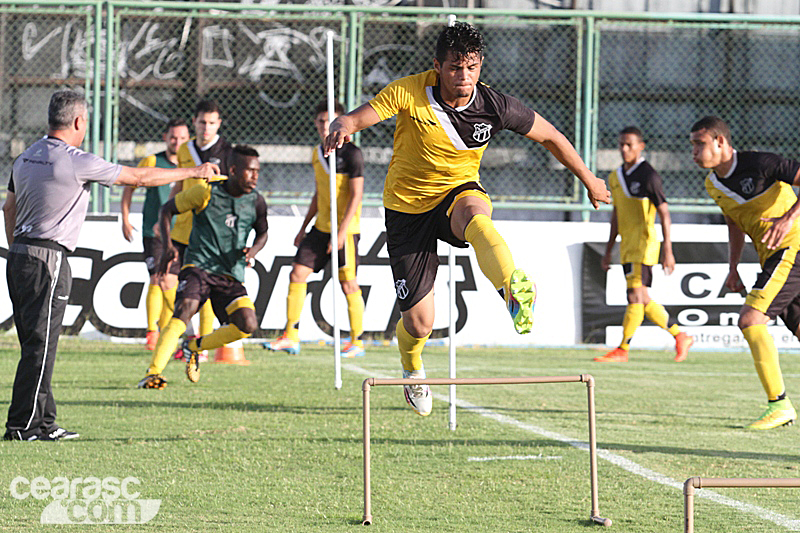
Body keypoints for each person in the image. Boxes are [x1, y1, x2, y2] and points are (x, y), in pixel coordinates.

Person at [323, 22, 610, 416]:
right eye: (455, 68)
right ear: (437, 66)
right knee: (421, 324)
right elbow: (359, 118)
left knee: (477, 213)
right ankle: (412, 367)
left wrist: (589, 178)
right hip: (407, 210)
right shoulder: (409, 91)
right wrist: (343, 125)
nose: (464, 77)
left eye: (472, 68)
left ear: (480, 66)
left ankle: (511, 289)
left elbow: (550, 136)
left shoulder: (494, 105)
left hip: (457, 192)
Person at [2, 90, 218, 441]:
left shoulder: (26, 156)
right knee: (42, 345)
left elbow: (8, 209)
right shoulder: (76, 160)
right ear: (78, 122)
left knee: (34, 343)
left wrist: (17, 249)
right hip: (49, 258)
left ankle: (44, 421)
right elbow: (139, 177)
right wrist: (195, 170)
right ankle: (22, 426)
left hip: (19, 255)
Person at [691, 115, 800, 430]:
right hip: (774, 257)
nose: (694, 152)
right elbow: (734, 223)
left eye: (700, 144)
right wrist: (733, 267)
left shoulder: (760, 163)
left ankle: (779, 404)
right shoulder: (713, 184)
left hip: (793, 248)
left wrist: (788, 219)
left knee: (750, 320)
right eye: (692, 145)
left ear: (720, 142)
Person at [138, 145, 268, 389]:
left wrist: (253, 251)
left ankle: (194, 347)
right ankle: (153, 373)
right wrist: (168, 247)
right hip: (198, 266)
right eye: (250, 171)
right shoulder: (206, 192)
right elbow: (166, 210)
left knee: (248, 324)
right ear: (233, 170)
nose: (255, 176)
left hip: (229, 274)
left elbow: (263, 233)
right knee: (184, 309)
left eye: (257, 171)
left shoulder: (256, 202)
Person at [266, 100, 366, 358]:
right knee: (297, 273)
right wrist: (304, 227)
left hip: (345, 230)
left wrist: (341, 233)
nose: (325, 126)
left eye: (330, 121)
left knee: (348, 283)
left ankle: (357, 340)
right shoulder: (317, 153)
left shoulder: (352, 154)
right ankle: (291, 335)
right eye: (321, 121)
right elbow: (319, 192)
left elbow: (356, 195)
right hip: (321, 226)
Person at [595, 126, 693, 363]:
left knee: (635, 296)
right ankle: (680, 336)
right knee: (640, 297)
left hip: (644, 245)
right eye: (621, 144)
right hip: (627, 246)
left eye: (629, 144)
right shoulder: (615, 177)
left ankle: (623, 349)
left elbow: (664, 213)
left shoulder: (649, 176)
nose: (624, 149)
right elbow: (617, 215)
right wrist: (608, 250)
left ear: (641, 147)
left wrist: (668, 250)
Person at [120, 118, 190, 350]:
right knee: (157, 278)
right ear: (165, 137)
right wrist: (125, 219)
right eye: (173, 137)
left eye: (182, 138)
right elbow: (129, 186)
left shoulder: (190, 165)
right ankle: (153, 332)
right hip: (154, 231)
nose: (177, 142)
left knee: (172, 282)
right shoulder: (152, 161)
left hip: (182, 233)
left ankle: (172, 329)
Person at [170, 100, 233, 359]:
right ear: (194, 122)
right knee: (171, 282)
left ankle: (203, 346)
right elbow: (179, 182)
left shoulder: (227, 152)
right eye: (202, 122)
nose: (206, 127)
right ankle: (188, 337)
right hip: (183, 228)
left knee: (205, 288)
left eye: (211, 123)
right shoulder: (186, 149)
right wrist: (168, 211)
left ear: (219, 124)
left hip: (209, 233)